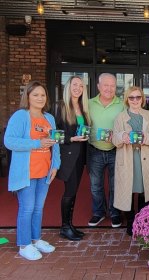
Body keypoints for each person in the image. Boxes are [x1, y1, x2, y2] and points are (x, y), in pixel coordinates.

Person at [4, 81, 60, 261]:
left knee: (38, 208)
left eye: (43, 95)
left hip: (44, 171)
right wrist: (36, 143)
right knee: (27, 209)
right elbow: (9, 141)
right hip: (26, 172)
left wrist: (55, 165)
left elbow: (55, 144)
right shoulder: (20, 116)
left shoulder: (49, 118)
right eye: (35, 95)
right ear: (27, 97)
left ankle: (36, 239)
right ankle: (24, 244)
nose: (40, 98)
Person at [112, 86, 149, 235]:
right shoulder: (120, 117)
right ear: (127, 99)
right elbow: (114, 139)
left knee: (143, 190)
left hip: (145, 157)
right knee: (128, 190)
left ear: (142, 99)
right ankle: (131, 221)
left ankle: (142, 220)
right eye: (131, 97)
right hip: (128, 157)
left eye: (138, 97)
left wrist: (147, 138)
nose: (135, 100)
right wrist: (122, 137)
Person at [55, 76, 90, 240]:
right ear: (68, 86)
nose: (78, 88)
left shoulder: (83, 107)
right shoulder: (60, 107)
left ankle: (70, 225)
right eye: (75, 85)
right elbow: (54, 135)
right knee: (69, 190)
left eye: (81, 86)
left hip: (80, 155)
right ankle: (65, 227)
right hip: (68, 155)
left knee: (74, 189)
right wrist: (70, 139)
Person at [88, 73, 124, 227]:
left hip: (116, 149)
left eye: (112, 85)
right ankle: (99, 212)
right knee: (96, 184)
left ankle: (115, 213)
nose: (109, 89)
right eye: (106, 85)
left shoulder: (122, 104)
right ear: (98, 86)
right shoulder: (88, 103)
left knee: (116, 184)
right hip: (95, 149)